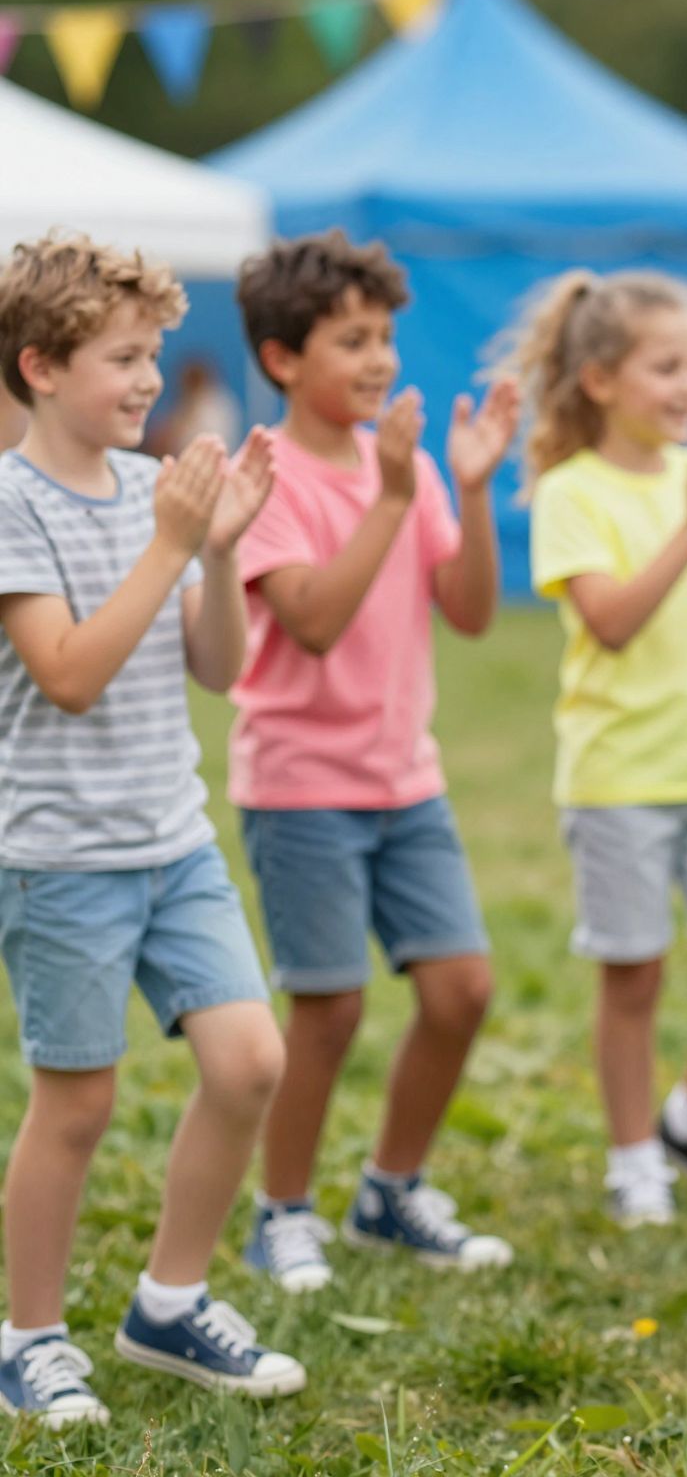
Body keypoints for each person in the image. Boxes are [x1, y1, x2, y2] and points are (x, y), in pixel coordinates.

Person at [0, 234, 303, 1424]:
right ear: (39, 367)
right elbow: (70, 674)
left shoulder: (149, 491)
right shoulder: (13, 504)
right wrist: (176, 543)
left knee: (250, 1061)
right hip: (61, 861)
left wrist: (214, 556)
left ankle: (169, 1304)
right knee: (75, 1107)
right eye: (122, 359)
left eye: (151, 356)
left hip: (174, 844)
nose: (147, 380)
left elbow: (219, 667)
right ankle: (28, 1339)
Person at [232, 232, 517, 1292]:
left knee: (461, 990)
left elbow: (472, 613)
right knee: (330, 1009)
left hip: (408, 781)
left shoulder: (412, 468)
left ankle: (389, 1193)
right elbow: (309, 620)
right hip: (301, 787)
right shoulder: (266, 477)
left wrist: (470, 490)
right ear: (281, 358)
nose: (380, 359)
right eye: (351, 340)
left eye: (385, 337)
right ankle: (282, 1212)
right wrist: (393, 499)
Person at [511, 270, 687, 1222]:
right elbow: (614, 623)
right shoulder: (570, 493)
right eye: (665, 367)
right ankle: (635, 1159)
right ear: (599, 380)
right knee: (633, 979)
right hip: (619, 778)